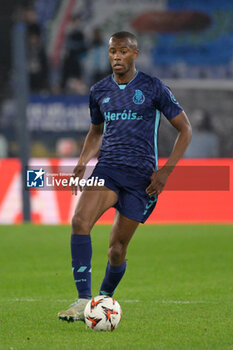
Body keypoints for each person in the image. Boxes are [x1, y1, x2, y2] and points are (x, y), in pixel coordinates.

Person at [58, 31, 192, 322]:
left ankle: (103, 298)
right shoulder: (99, 91)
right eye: (112, 52)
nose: (117, 57)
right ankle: (83, 301)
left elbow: (186, 129)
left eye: (123, 52)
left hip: (142, 179)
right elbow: (96, 132)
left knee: (116, 251)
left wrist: (166, 170)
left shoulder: (153, 88)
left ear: (135, 54)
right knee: (80, 221)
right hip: (107, 169)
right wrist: (83, 160)